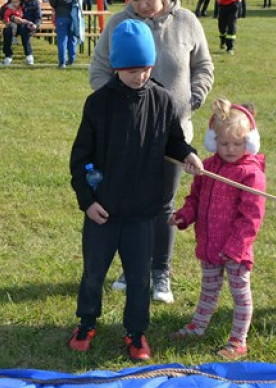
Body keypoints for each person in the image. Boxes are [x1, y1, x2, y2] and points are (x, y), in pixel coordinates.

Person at [68, 20, 203, 361]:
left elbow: (174, 141)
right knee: (93, 273)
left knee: (140, 278)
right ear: (116, 66)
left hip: (143, 213)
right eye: (131, 70)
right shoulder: (98, 104)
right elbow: (80, 159)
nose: (140, 76)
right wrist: (88, 201)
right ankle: (86, 322)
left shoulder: (163, 101)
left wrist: (188, 154)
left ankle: (136, 331)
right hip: (103, 211)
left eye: (145, 68)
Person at [89, 0, 215, 303]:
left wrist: (191, 100)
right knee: (130, 202)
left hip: (173, 138)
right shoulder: (118, 24)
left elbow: (203, 67)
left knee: (162, 204)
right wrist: (117, 105)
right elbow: (99, 70)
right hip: (128, 137)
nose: (143, 5)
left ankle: (161, 273)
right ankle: (134, 267)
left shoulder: (187, 21)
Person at [171, 98, 266, 360]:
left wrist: (236, 247)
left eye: (237, 143)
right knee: (209, 289)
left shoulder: (251, 175)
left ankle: (238, 340)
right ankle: (198, 326)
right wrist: (184, 216)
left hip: (236, 250)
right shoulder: (208, 167)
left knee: (240, 294)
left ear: (250, 141)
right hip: (210, 245)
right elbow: (195, 199)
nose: (230, 149)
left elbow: (251, 217)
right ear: (213, 142)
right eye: (224, 144)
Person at [51, 0, 82, 68]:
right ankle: (72, 59)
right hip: (74, 17)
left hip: (61, 16)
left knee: (62, 39)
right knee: (72, 38)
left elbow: (53, 3)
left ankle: (62, 62)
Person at [0, 0, 35, 66]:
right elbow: (2, 13)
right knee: (7, 31)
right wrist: (12, 18)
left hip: (24, 25)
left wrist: (25, 21)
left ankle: (29, 55)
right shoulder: (10, 4)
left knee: (24, 31)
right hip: (12, 24)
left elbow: (35, 16)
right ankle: (8, 56)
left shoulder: (31, 3)